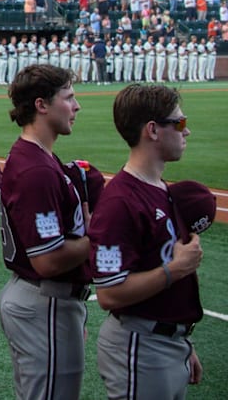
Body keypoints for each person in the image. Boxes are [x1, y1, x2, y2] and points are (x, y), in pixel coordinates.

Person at [89, 84, 203, 400]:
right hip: (141, 346)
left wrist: (181, 340)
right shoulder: (120, 201)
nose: (187, 131)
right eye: (179, 123)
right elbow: (110, 293)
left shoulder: (159, 187)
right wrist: (174, 269)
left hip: (165, 343)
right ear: (152, 130)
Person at [0, 64, 91, 400]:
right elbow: (48, 261)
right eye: (68, 97)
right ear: (41, 105)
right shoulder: (36, 168)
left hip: (42, 300)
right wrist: (96, 235)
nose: (76, 106)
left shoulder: (39, 158)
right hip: (45, 299)